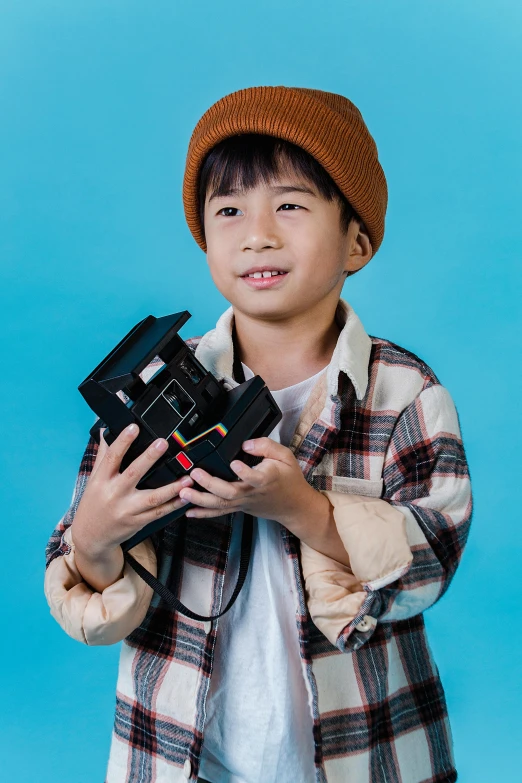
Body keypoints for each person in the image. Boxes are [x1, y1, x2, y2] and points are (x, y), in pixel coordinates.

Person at [44, 86, 473, 783]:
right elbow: (89, 589)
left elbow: (432, 556)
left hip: (362, 749)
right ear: (206, 237)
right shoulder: (153, 387)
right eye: (229, 210)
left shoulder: (404, 391)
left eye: (291, 205)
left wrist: (300, 507)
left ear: (356, 238)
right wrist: (93, 537)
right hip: (186, 753)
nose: (258, 233)